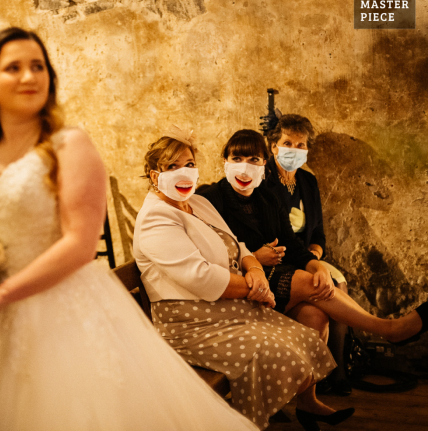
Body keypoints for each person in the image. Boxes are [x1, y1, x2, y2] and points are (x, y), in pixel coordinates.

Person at [0, 27, 257, 431]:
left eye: (38, 66)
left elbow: (79, 243)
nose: (28, 76)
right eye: (13, 67)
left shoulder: (70, 146)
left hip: (56, 309)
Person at [133, 127, 349, 430]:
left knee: (302, 337)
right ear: (155, 176)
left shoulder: (197, 203)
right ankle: (245, 421)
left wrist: (256, 271)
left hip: (225, 309)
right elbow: (201, 277)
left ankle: (298, 405)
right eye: (173, 167)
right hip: (190, 323)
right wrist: (253, 287)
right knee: (277, 349)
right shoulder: (156, 218)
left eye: (190, 165)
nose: (184, 173)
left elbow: (239, 244)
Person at [199, 130, 427, 356]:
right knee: (311, 283)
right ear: (225, 162)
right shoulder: (210, 198)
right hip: (241, 281)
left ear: (264, 163)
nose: (244, 167)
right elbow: (208, 251)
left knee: (315, 316)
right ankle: (389, 329)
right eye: (237, 159)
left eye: (253, 159)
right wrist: (255, 258)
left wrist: (316, 265)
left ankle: (307, 392)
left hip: (277, 276)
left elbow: (292, 243)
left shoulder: (269, 197)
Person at [262, 114, 351, 395]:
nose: (295, 150)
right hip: (281, 260)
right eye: (288, 143)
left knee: (341, 285)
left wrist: (315, 252)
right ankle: (328, 374)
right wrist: (307, 259)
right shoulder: (263, 181)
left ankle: (336, 369)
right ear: (273, 146)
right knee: (331, 289)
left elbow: (319, 233)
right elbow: (274, 237)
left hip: (307, 257)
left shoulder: (308, 182)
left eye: (301, 145)